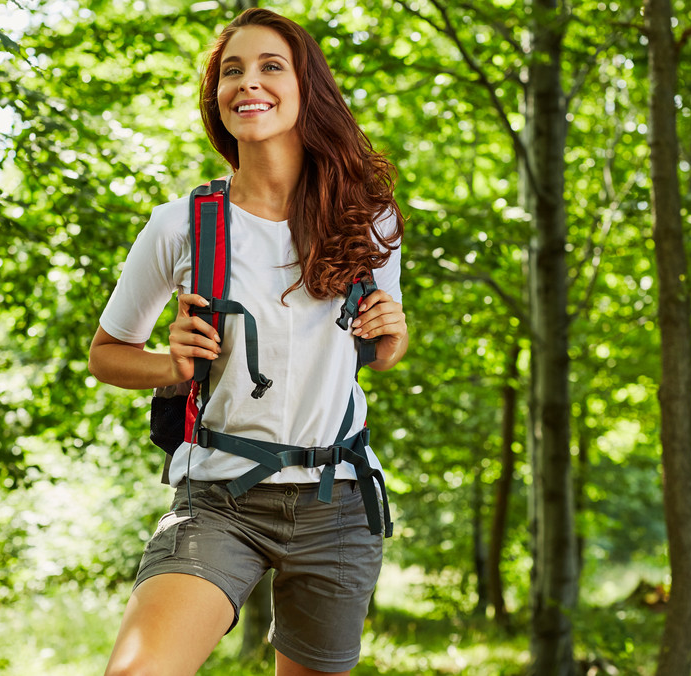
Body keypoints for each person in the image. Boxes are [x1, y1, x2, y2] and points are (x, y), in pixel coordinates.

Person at [88, 8, 408, 676]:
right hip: (219, 501)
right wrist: (169, 365)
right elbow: (107, 354)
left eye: (270, 67)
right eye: (231, 71)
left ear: (306, 88)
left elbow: (371, 351)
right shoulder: (180, 225)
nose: (247, 83)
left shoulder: (366, 218)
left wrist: (392, 335)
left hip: (338, 502)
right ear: (217, 100)